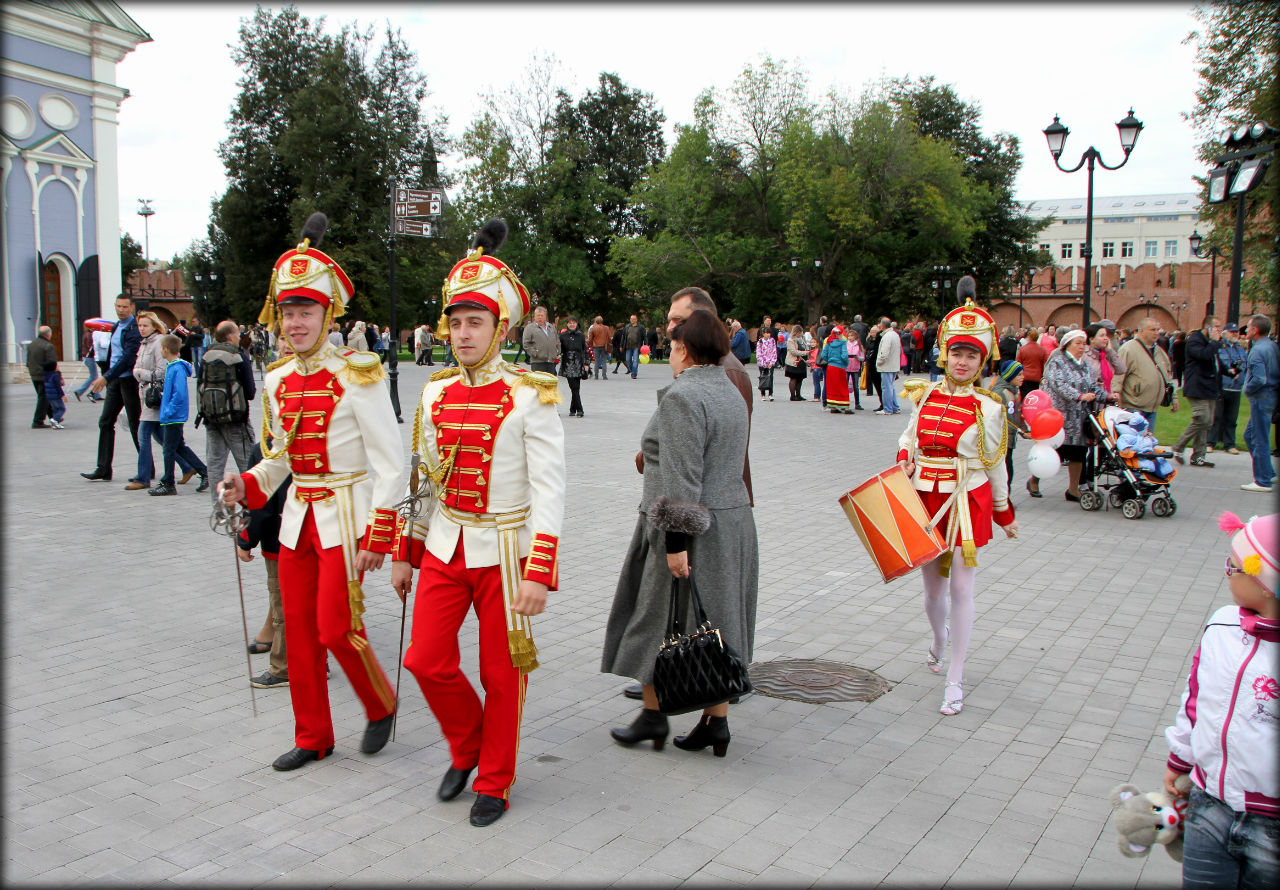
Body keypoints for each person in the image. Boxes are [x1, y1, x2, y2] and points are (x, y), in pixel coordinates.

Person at [391, 218, 565, 827]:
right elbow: (423, 481)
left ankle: (495, 777)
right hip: (447, 542)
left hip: (509, 550)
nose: (462, 335)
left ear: (502, 327)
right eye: (456, 323)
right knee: (424, 660)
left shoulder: (530, 396)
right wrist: (405, 552)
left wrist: (540, 569)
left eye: (476, 323)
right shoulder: (434, 396)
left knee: (501, 670)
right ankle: (467, 747)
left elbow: (551, 489)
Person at [218, 212, 401, 772]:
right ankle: (314, 734)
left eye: (306, 312)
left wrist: (380, 531)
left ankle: (380, 703)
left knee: (334, 628)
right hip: (298, 516)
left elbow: (391, 465)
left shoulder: (359, 375)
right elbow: (279, 459)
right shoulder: (274, 379)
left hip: (346, 514)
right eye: (289, 313)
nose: (296, 323)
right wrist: (245, 485)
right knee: (298, 633)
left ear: (327, 314)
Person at [604, 308, 757, 756]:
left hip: (688, 528)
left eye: (671, 347)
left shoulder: (682, 397)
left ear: (685, 350)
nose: (669, 354)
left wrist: (675, 542)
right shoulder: (730, 389)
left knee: (656, 616)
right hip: (733, 521)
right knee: (721, 619)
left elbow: (683, 478)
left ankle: (654, 715)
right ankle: (716, 723)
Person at [897, 300, 1017, 716]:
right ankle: (938, 640)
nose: (963, 362)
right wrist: (904, 461)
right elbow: (908, 439)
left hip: (967, 501)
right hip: (926, 499)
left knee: (962, 588)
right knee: (932, 592)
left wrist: (1004, 512)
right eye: (957, 353)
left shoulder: (989, 407)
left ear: (982, 360)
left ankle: (956, 677)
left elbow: (995, 462)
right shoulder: (924, 395)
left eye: (972, 355)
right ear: (945, 354)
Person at [1164, 511, 1278, 889]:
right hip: (1210, 803)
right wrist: (1180, 759)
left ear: (1265, 582)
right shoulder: (1222, 625)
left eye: (1234, 567)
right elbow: (1196, 699)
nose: (1225, 573)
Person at [129, 311, 196, 492]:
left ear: (154, 326)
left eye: (145, 325)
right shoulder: (143, 344)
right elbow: (136, 367)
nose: (142, 329)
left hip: (157, 398)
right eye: (140, 325)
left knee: (143, 435)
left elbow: (161, 371)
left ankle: (143, 477)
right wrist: (138, 372)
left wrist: (140, 373)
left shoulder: (159, 342)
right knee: (163, 439)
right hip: (147, 397)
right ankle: (188, 467)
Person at [82, 295, 144, 481]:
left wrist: (106, 376)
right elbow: (113, 354)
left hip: (128, 381)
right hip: (115, 380)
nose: (121, 310)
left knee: (135, 425)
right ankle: (103, 468)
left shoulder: (134, 329)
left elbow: (128, 358)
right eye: (118, 306)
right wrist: (107, 373)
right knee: (105, 421)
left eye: (125, 307)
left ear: (132, 307)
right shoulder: (117, 326)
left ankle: (146, 467)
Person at [1043, 328, 1108, 501]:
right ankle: (1035, 479)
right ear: (1067, 345)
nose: (1081, 346)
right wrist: (1079, 396)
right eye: (1078, 343)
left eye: (1083, 343)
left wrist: (1106, 396)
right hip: (1062, 415)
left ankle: (1073, 489)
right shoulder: (1057, 362)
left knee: (1079, 451)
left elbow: (1092, 386)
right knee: (1054, 452)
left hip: (1080, 416)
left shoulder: (1085, 365)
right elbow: (1058, 384)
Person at [199, 320, 258, 504]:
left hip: (212, 419)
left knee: (215, 465)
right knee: (247, 464)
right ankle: (253, 508)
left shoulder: (206, 356)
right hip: (236, 420)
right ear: (231, 336)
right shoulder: (238, 357)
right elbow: (250, 392)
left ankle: (218, 509)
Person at [151, 334, 209, 496]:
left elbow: (179, 395)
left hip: (173, 416)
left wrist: (168, 410)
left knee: (168, 449)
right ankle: (204, 472)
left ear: (167, 349)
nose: (161, 351)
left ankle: (168, 482)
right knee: (179, 447)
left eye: (162, 348)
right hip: (173, 415)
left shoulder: (176, 368)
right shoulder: (173, 367)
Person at [1111, 317, 1178, 435]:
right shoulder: (1129, 349)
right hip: (1133, 405)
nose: (1156, 333)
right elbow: (1119, 373)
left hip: (1152, 407)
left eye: (1158, 329)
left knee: (1146, 444)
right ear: (1141, 331)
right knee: (1133, 443)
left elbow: (1167, 375)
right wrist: (1116, 392)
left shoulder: (1159, 351)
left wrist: (1174, 397)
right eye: (1152, 329)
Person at [1173, 316, 1223, 468]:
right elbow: (1204, 355)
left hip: (1210, 387)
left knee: (1207, 423)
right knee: (1202, 419)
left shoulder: (1211, 342)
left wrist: (1230, 371)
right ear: (1207, 327)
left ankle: (1198, 456)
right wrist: (1215, 342)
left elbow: (1215, 362)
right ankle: (1179, 446)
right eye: (1216, 327)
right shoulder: (1195, 340)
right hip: (1197, 387)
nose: (1218, 330)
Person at [1241, 314, 1279, 493]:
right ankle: (1268, 472)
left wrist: (1247, 389)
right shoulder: (1272, 346)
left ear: (1255, 330)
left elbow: (1259, 378)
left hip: (1261, 397)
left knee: (1259, 438)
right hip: (1270, 396)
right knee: (1250, 436)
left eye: (1248, 327)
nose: (1246, 330)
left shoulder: (1257, 350)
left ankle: (1262, 481)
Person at [1208, 322, 1247, 454]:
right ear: (1225, 333)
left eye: (1236, 332)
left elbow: (1244, 367)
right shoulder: (1220, 347)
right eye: (1232, 332)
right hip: (1222, 386)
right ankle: (1210, 442)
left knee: (1232, 418)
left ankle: (1229, 444)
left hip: (1236, 388)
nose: (1235, 334)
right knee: (1216, 416)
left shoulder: (1240, 349)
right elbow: (1220, 365)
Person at [990, 360, 1029, 490]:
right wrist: (1020, 430)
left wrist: (1024, 429)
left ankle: (1006, 496)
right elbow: (999, 418)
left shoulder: (1014, 391)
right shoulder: (1000, 393)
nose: (1022, 377)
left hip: (1010, 438)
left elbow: (1016, 414)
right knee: (1004, 469)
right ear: (1009, 376)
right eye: (1019, 375)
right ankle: (1002, 498)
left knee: (1008, 469)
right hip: (1000, 439)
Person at [1114, 413, 1174, 480]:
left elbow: (1151, 445)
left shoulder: (1145, 438)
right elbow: (1122, 441)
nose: (1148, 431)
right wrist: (1124, 448)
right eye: (1146, 429)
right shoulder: (1130, 437)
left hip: (1147, 455)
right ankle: (1159, 472)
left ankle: (1165, 472)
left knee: (1160, 459)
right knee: (1148, 465)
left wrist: (1151, 439)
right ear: (1140, 429)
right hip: (1137, 458)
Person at [26, 325, 57, 428]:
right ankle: (38, 421)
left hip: (34, 374)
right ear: (48, 334)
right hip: (44, 375)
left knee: (43, 397)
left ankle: (54, 417)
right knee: (43, 397)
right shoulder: (48, 346)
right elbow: (52, 363)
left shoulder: (31, 344)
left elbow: (28, 361)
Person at [559, 316, 587, 417]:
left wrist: (586, 364)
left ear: (576, 324)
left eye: (574, 323)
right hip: (568, 364)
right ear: (567, 324)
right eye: (570, 323)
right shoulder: (562, 336)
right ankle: (580, 409)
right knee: (574, 387)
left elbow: (584, 350)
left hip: (578, 363)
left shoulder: (581, 335)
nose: (572, 324)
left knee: (576, 388)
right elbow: (559, 350)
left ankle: (572, 409)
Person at [820, 325, 852, 414]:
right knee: (843, 386)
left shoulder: (829, 341)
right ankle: (846, 407)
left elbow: (823, 355)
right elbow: (844, 355)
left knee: (832, 386)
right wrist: (845, 363)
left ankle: (833, 407)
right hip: (840, 366)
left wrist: (830, 360)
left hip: (830, 366)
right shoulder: (842, 342)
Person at [874, 317, 901, 415]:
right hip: (893, 364)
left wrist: (879, 362)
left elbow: (884, 353)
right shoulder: (895, 334)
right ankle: (894, 407)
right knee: (891, 386)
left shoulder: (887, 336)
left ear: (883, 325)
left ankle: (888, 409)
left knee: (886, 388)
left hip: (887, 365)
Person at [522, 305, 559, 374]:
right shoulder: (530, 328)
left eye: (542, 315)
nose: (540, 317)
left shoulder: (551, 327)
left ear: (545, 317)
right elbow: (526, 344)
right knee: (539, 383)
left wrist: (557, 351)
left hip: (551, 361)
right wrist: (535, 353)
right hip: (538, 362)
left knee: (550, 383)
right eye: (538, 315)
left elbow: (557, 341)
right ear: (534, 316)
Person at [74, 324, 103, 402]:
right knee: (93, 376)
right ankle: (79, 391)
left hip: (86, 357)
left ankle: (96, 394)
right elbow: (91, 346)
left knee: (95, 376)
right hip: (89, 357)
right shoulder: (89, 335)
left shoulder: (86, 334)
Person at [1016, 328, 1046, 401]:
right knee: (1034, 398)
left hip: (1025, 377)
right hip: (1036, 377)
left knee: (1024, 397)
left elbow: (1018, 364)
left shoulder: (1022, 349)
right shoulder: (1042, 350)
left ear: (1029, 337)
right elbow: (1045, 365)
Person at [756, 316, 777, 402]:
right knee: (763, 377)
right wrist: (763, 362)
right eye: (766, 333)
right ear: (763, 334)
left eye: (769, 333)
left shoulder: (772, 341)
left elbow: (774, 351)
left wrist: (772, 362)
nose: (768, 334)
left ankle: (771, 393)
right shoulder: (760, 342)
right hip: (763, 362)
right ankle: (763, 394)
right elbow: (758, 353)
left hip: (770, 362)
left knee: (770, 377)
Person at [785, 323, 808, 401]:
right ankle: (792, 395)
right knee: (793, 378)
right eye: (799, 332)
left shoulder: (802, 339)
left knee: (800, 378)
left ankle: (798, 395)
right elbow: (793, 351)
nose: (801, 334)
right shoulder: (790, 340)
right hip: (793, 362)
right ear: (796, 332)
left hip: (801, 362)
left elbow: (806, 347)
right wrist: (805, 353)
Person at [42, 360, 67, 429]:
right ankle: (55, 420)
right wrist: (63, 395)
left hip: (49, 395)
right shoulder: (55, 375)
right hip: (56, 395)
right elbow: (57, 386)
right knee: (62, 409)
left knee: (55, 409)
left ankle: (56, 423)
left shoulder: (45, 375)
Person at [587, 315, 611, 380]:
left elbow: (590, 339)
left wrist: (592, 344)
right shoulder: (606, 328)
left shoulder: (593, 329)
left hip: (596, 346)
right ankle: (604, 376)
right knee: (604, 361)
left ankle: (596, 376)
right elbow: (609, 337)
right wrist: (609, 344)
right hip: (604, 346)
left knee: (596, 361)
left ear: (596, 321)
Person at [846, 329, 865, 410]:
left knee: (855, 386)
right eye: (849, 336)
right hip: (847, 367)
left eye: (852, 336)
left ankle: (857, 403)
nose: (850, 337)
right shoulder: (846, 344)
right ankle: (845, 402)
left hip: (855, 367)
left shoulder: (859, 345)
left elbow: (862, 357)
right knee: (845, 386)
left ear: (855, 336)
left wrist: (858, 357)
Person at [624, 314, 645, 378]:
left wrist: (646, 345)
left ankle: (634, 374)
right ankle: (632, 369)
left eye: (633, 319)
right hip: (628, 346)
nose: (632, 320)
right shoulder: (627, 327)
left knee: (635, 360)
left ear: (636, 320)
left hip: (636, 346)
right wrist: (622, 345)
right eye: (631, 319)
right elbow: (624, 337)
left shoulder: (641, 327)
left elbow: (644, 337)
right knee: (628, 360)